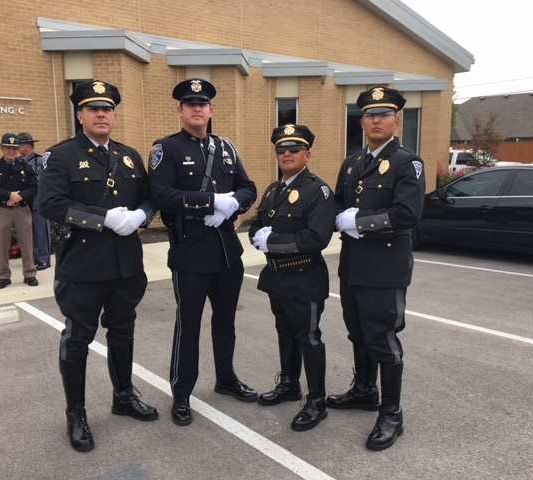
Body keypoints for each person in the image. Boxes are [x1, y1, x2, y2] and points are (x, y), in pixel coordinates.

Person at [37, 80, 157, 453]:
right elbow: (51, 205)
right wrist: (104, 218)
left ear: (115, 116)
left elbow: (149, 197)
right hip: (84, 265)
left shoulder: (129, 156)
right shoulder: (61, 156)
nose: (101, 114)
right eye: (93, 109)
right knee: (77, 340)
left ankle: (123, 396)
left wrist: (141, 215)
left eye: (106, 109)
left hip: (125, 265)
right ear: (80, 115)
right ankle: (76, 414)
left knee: (122, 331)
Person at [149, 78, 258, 426]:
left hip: (227, 252)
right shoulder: (166, 149)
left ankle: (226, 379)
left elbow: (248, 187)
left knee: (225, 322)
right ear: (180, 110)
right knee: (189, 325)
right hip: (191, 252)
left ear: (211, 110)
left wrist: (230, 206)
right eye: (190, 103)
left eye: (203, 103)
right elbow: (161, 195)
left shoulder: (226, 148)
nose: (197, 108)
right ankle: (181, 393)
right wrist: (209, 201)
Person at [328, 86, 425, 450]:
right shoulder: (352, 163)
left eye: (383, 114)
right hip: (353, 266)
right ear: (362, 121)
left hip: (385, 268)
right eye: (369, 115)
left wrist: (361, 221)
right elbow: (338, 205)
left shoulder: (407, 162)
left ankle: (392, 413)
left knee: (383, 339)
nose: (375, 120)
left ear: (397, 119)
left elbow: (408, 215)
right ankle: (364, 390)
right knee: (358, 333)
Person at [249, 124, 335, 431]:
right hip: (278, 278)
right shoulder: (274, 190)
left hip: (305, 278)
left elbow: (318, 236)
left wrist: (272, 242)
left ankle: (317, 401)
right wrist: (256, 236)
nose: (286, 154)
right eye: (281, 150)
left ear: (307, 154)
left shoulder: (318, 191)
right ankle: (289, 384)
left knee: (308, 338)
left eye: (294, 149)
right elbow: (257, 223)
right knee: (284, 333)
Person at [0, 133, 38, 289]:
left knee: (27, 243)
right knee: (2, 244)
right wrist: (9, 195)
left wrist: (19, 196)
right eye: (8, 147)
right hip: (2, 209)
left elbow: (34, 187)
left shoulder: (25, 168)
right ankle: (3, 276)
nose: (11, 151)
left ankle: (29, 274)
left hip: (21, 209)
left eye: (14, 148)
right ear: (2, 148)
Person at [18, 132, 52, 270]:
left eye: (19, 145)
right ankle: (35, 257)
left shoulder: (39, 160)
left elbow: (40, 180)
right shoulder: (19, 161)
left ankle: (44, 259)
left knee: (41, 231)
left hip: (38, 201)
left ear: (27, 146)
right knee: (29, 231)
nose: (17, 148)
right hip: (24, 203)